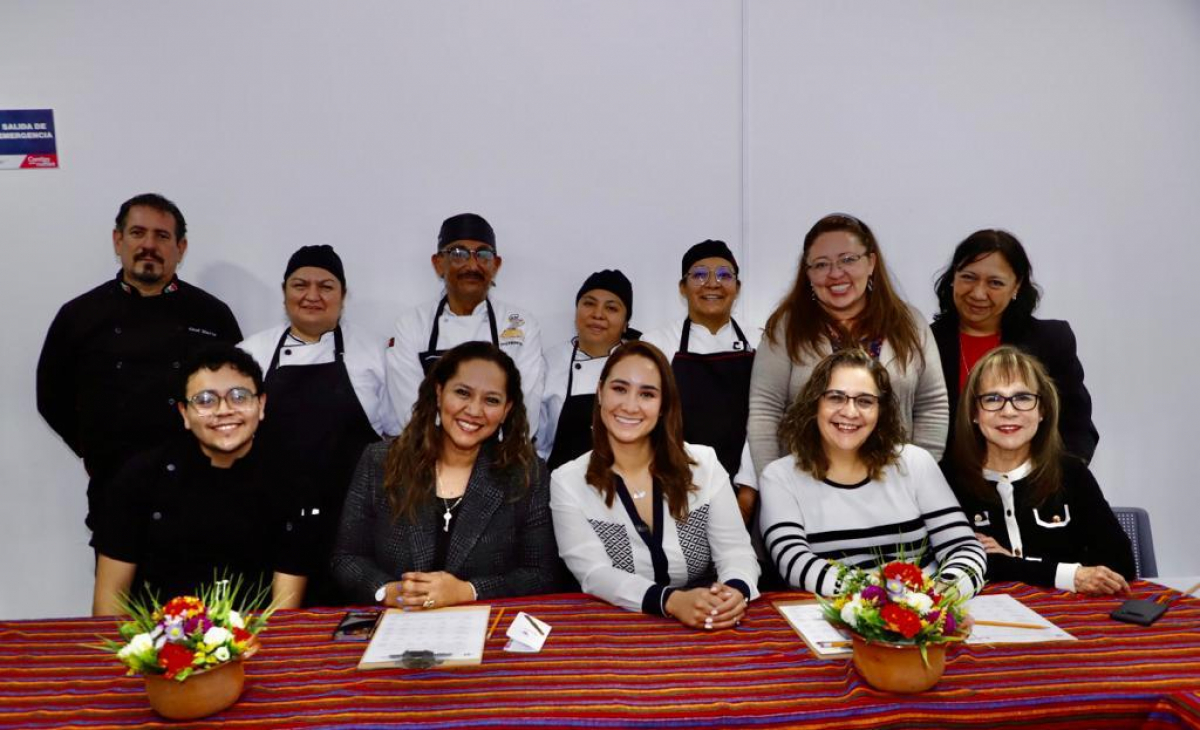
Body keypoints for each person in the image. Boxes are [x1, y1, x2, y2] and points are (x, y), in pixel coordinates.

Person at [37, 193, 242, 544]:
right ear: (118, 241)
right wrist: (97, 448)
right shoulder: (79, 316)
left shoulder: (212, 315)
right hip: (116, 486)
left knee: (204, 599)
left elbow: (239, 395)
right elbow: (51, 398)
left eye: (162, 236)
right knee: (117, 599)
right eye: (138, 233)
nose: (149, 245)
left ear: (181, 247)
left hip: (200, 488)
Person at [333, 341, 560, 608]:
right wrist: (386, 591)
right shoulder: (381, 460)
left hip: (485, 632)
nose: (474, 411)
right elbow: (346, 558)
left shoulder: (526, 474)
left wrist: (468, 591)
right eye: (462, 393)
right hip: (393, 625)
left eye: (491, 400)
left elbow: (540, 574)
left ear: (506, 410)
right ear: (439, 393)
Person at [551, 341, 760, 630]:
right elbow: (594, 573)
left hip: (707, 619)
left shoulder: (704, 465)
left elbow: (735, 551)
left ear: (664, 406)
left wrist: (734, 592)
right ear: (600, 391)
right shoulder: (568, 481)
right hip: (616, 630)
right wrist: (671, 601)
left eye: (647, 394)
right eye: (619, 389)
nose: (630, 405)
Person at [92, 346, 307, 615]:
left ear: (261, 405)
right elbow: (110, 598)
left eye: (239, 397)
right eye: (205, 400)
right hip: (155, 639)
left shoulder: (290, 478)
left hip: (254, 639)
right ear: (184, 413)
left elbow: (283, 611)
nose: (224, 410)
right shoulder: (140, 477)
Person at [239, 245, 398, 606]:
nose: (312, 296)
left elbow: (396, 434)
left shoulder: (374, 353)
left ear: (343, 295)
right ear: (284, 293)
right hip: (271, 522)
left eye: (326, 286)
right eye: (300, 285)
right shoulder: (251, 354)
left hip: (353, 527)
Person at [758, 348, 985, 598]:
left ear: (881, 411)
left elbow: (965, 548)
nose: (850, 412)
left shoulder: (915, 462)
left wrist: (938, 596)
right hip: (831, 617)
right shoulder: (779, 477)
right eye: (836, 397)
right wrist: (885, 599)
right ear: (814, 404)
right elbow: (794, 564)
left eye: (865, 401)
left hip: (926, 610)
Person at [748, 213, 949, 476]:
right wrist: (773, 483)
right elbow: (765, 411)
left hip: (895, 486)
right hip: (806, 487)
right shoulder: (786, 327)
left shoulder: (909, 322)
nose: (835, 273)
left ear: (871, 262)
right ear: (807, 273)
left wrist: (919, 479)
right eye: (821, 264)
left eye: (848, 259)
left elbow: (932, 404)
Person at [944, 346, 1132, 594]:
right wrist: (1069, 575)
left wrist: (1011, 564)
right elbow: (950, 568)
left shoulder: (1071, 472)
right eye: (992, 399)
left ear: (1042, 410)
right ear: (973, 413)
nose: (1008, 411)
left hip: (1076, 621)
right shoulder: (946, 479)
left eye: (1022, 398)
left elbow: (1121, 565)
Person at [931, 229, 1098, 462]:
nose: (978, 293)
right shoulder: (924, 342)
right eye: (968, 277)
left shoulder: (1051, 340)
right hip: (947, 486)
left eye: (995, 283)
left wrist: (1057, 481)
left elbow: (1076, 427)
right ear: (952, 279)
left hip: (1034, 484)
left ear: (1016, 287)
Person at [386, 213, 545, 434]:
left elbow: (525, 408)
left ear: (495, 265)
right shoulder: (411, 325)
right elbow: (412, 410)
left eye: (483, 255)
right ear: (439, 263)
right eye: (458, 254)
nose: (472, 265)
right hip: (429, 454)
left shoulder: (522, 325)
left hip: (501, 458)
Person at [643, 240, 758, 525]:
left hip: (748, 486)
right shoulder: (656, 344)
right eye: (699, 275)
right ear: (683, 287)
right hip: (676, 486)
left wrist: (748, 488)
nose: (712, 283)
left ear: (738, 287)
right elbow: (647, 425)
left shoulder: (761, 341)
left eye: (723, 274)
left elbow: (765, 420)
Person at [538, 269, 639, 471]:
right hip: (558, 488)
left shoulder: (638, 363)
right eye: (589, 303)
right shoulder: (550, 361)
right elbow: (537, 441)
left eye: (611, 308)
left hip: (624, 487)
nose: (598, 314)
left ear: (626, 323)